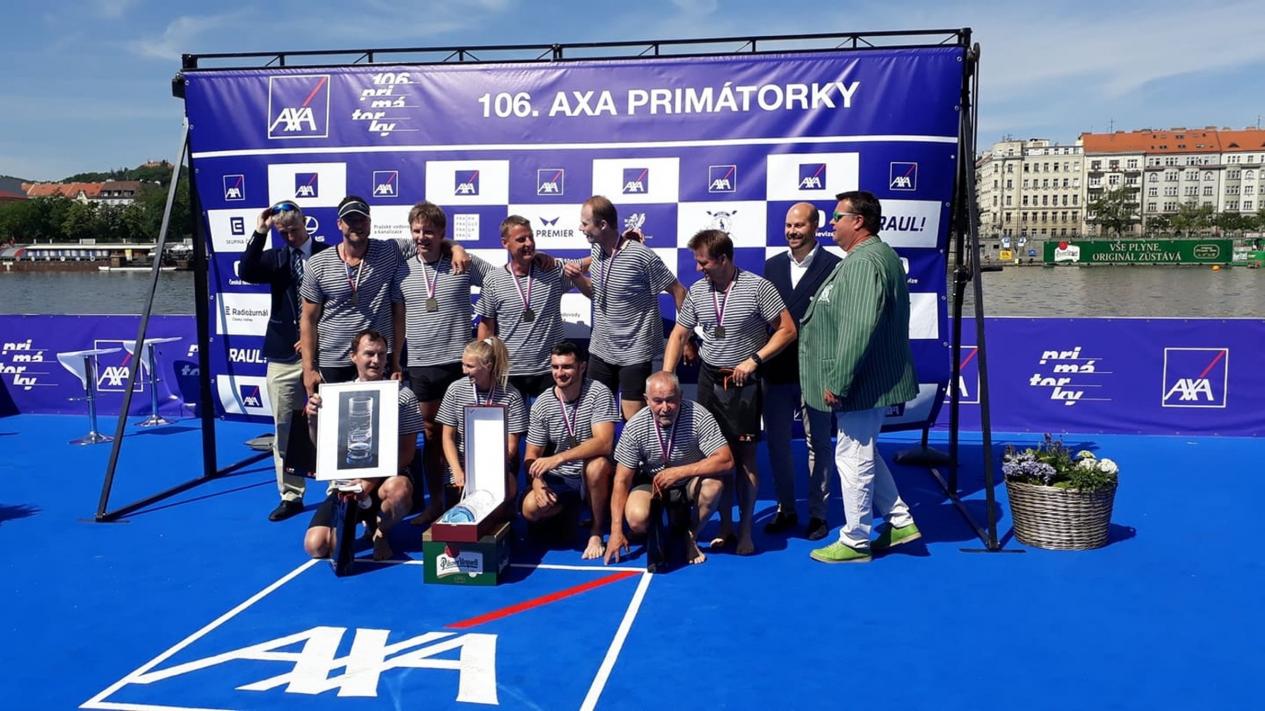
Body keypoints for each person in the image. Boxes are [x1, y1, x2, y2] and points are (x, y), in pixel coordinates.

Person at [800, 191, 922, 564]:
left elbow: (857, 328)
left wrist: (839, 381)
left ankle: (855, 539)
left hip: (860, 381)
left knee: (852, 455)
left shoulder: (864, 262)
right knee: (862, 449)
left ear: (858, 221)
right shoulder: (872, 256)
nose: (831, 223)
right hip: (867, 378)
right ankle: (900, 521)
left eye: (837, 217)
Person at [663, 229, 796, 555]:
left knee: (745, 459)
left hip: (743, 381)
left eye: (703, 262)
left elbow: (787, 330)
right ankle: (725, 526)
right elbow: (679, 334)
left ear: (723, 259)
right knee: (715, 457)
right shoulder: (698, 291)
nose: (698, 269)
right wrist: (666, 375)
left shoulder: (758, 287)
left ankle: (746, 530)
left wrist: (754, 360)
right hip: (709, 378)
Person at [396, 201, 492, 528]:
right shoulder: (401, 266)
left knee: (466, 434)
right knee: (431, 436)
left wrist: (485, 326)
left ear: (441, 233)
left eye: (429, 231)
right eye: (417, 231)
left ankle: (473, 502)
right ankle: (435, 503)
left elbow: (497, 280)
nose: (422, 237)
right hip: (420, 364)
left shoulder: (461, 262)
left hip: (458, 363)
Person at [239, 200, 329, 522]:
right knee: (284, 428)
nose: (290, 236)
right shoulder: (275, 257)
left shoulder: (327, 254)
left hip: (324, 354)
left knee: (333, 423)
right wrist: (260, 232)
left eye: (294, 229)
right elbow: (246, 271)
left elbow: (338, 303)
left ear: (305, 222)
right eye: (283, 232)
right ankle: (291, 495)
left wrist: (312, 338)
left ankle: (339, 489)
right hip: (282, 354)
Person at [302, 329, 424, 561]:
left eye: (381, 354)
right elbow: (322, 447)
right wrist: (312, 419)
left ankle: (380, 532)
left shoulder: (404, 396)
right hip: (347, 484)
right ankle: (362, 519)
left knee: (399, 490)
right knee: (316, 547)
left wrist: (369, 482)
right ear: (353, 357)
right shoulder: (336, 395)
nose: (376, 360)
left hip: (387, 480)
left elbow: (407, 454)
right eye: (369, 354)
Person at [761, 203, 841, 540]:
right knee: (777, 444)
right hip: (776, 372)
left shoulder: (835, 267)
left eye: (799, 225)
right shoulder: (772, 266)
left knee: (819, 444)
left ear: (815, 227)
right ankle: (786, 509)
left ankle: (818, 514)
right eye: (788, 225)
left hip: (816, 373)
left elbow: (840, 323)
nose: (792, 231)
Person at [569, 196, 686, 421]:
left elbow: (678, 290)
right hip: (601, 350)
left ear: (603, 225)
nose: (580, 228)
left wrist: (686, 338)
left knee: (634, 421)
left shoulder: (641, 256)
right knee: (595, 419)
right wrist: (578, 280)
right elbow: (597, 294)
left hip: (634, 352)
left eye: (585, 223)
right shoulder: (597, 251)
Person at [605, 372, 734, 567]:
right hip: (653, 483)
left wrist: (679, 472)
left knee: (714, 484)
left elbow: (726, 460)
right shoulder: (635, 427)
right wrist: (616, 531)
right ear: (647, 400)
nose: (665, 408)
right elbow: (622, 480)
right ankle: (669, 520)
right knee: (636, 520)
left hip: (689, 482)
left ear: (680, 396)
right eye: (658, 401)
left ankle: (690, 535)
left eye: (671, 400)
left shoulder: (699, 416)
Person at [476, 215, 592, 399]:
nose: (529, 243)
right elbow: (486, 327)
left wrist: (618, 248)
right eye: (521, 239)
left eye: (531, 237)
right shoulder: (493, 280)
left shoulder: (551, 270)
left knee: (550, 419)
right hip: (509, 373)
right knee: (512, 420)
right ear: (505, 243)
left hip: (549, 370)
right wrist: (483, 367)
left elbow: (584, 264)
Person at [522, 341, 619, 559]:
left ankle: (596, 531)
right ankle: (570, 507)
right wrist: (537, 484)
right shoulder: (542, 403)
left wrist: (559, 458)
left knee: (597, 465)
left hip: (592, 474)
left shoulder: (598, 393)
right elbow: (531, 456)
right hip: (561, 478)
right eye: (555, 367)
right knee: (530, 509)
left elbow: (604, 443)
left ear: (582, 367)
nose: (560, 373)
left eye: (566, 367)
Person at [300, 196, 405, 393]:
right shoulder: (318, 264)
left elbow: (427, 240)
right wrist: (308, 368)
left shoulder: (389, 251)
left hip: (376, 359)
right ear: (339, 224)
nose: (357, 225)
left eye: (362, 219)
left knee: (378, 412)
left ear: (370, 222)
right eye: (350, 220)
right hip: (334, 360)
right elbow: (308, 319)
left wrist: (455, 248)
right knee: (332, 414)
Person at [435, 336, 529, 503]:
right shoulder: (455, 390)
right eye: (463, 364)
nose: (464, 371)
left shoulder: (511, 395)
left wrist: (486, 472)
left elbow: (511, 446)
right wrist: (457, 470)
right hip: (461, 465)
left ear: (488, 366)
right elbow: (447, 437)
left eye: (470, 366)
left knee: (503, 490)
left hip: (496, 466)